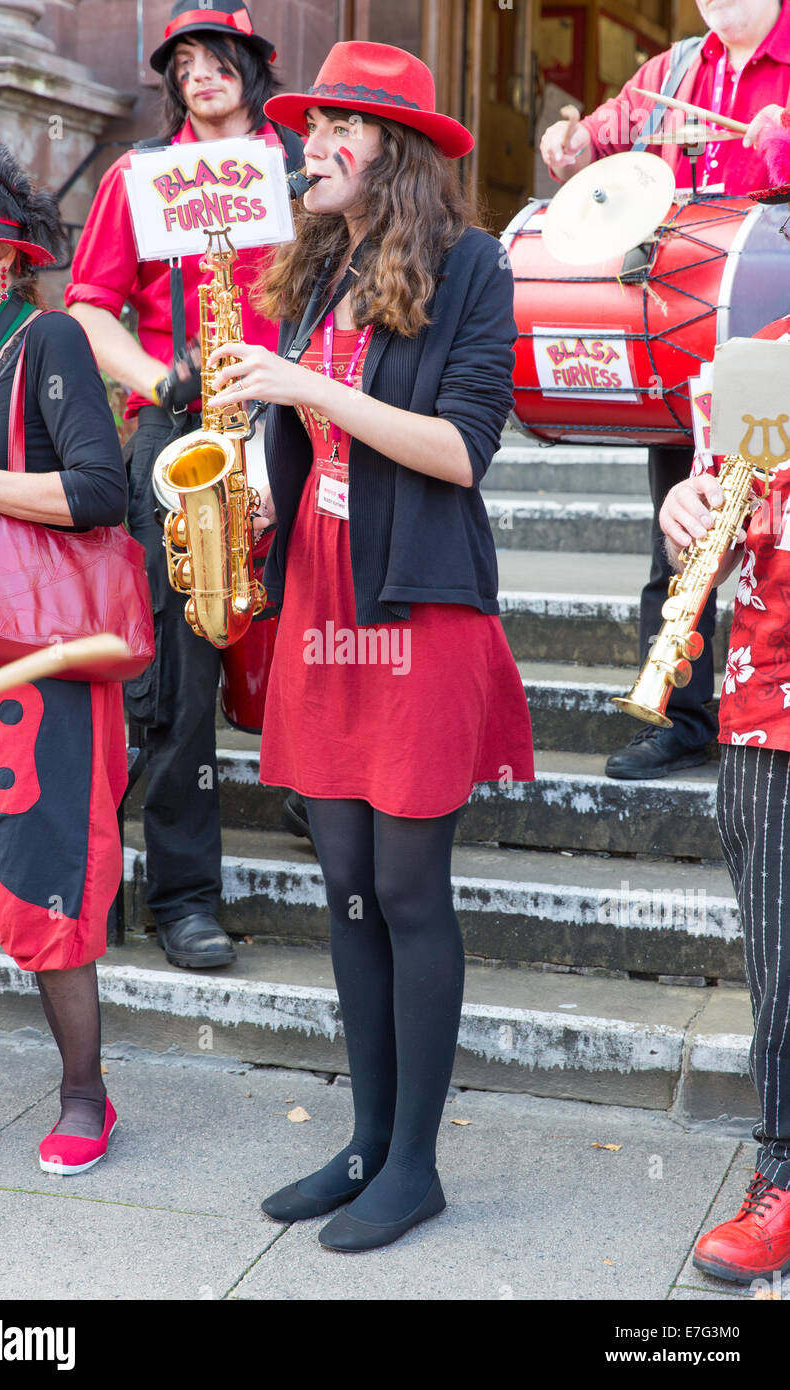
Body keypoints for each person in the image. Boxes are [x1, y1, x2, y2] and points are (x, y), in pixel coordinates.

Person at [206, 41, 534, 1252]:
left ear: (389, 147)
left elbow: (461, 449)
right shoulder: (314, 271)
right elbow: (297, 438)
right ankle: (362, 1142)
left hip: (415, 601)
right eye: (309, 127)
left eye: (334, 126)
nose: (309, 145)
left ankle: (414, 1163)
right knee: (342, 882)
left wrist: (307, 387)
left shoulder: (472, 267)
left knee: (405, 884)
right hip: (317, 591)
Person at [66, 1, 304, 972]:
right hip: (181, 423)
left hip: (299, 411)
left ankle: (332, 819)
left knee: (321, 629)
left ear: (251, 65)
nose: (201, 74)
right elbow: (88, 306)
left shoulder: (306, 166)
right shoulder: (137, 176)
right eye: (185, 62)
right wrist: (155, 380)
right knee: (177, 672)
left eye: (219, 58)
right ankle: (183, 894)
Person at [0, 134, 131, 1174]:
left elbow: (103, 491)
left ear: (4, 256)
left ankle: (86, 1095)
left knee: (49, 896)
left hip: (39, 677)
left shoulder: (46, 342)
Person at [539, 0, 790, 781]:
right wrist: (573, 138)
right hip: (681, 335)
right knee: (678, 534)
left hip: (777, 338)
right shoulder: (677, 69)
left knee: (776, 537)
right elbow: (606, 135)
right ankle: (682, 716)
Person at [658, 123, 790, 1286]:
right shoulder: (765, 358)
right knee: (777, 954)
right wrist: (687, 507)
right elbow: (723, 492)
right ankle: (782, 1171)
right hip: (764, 697)